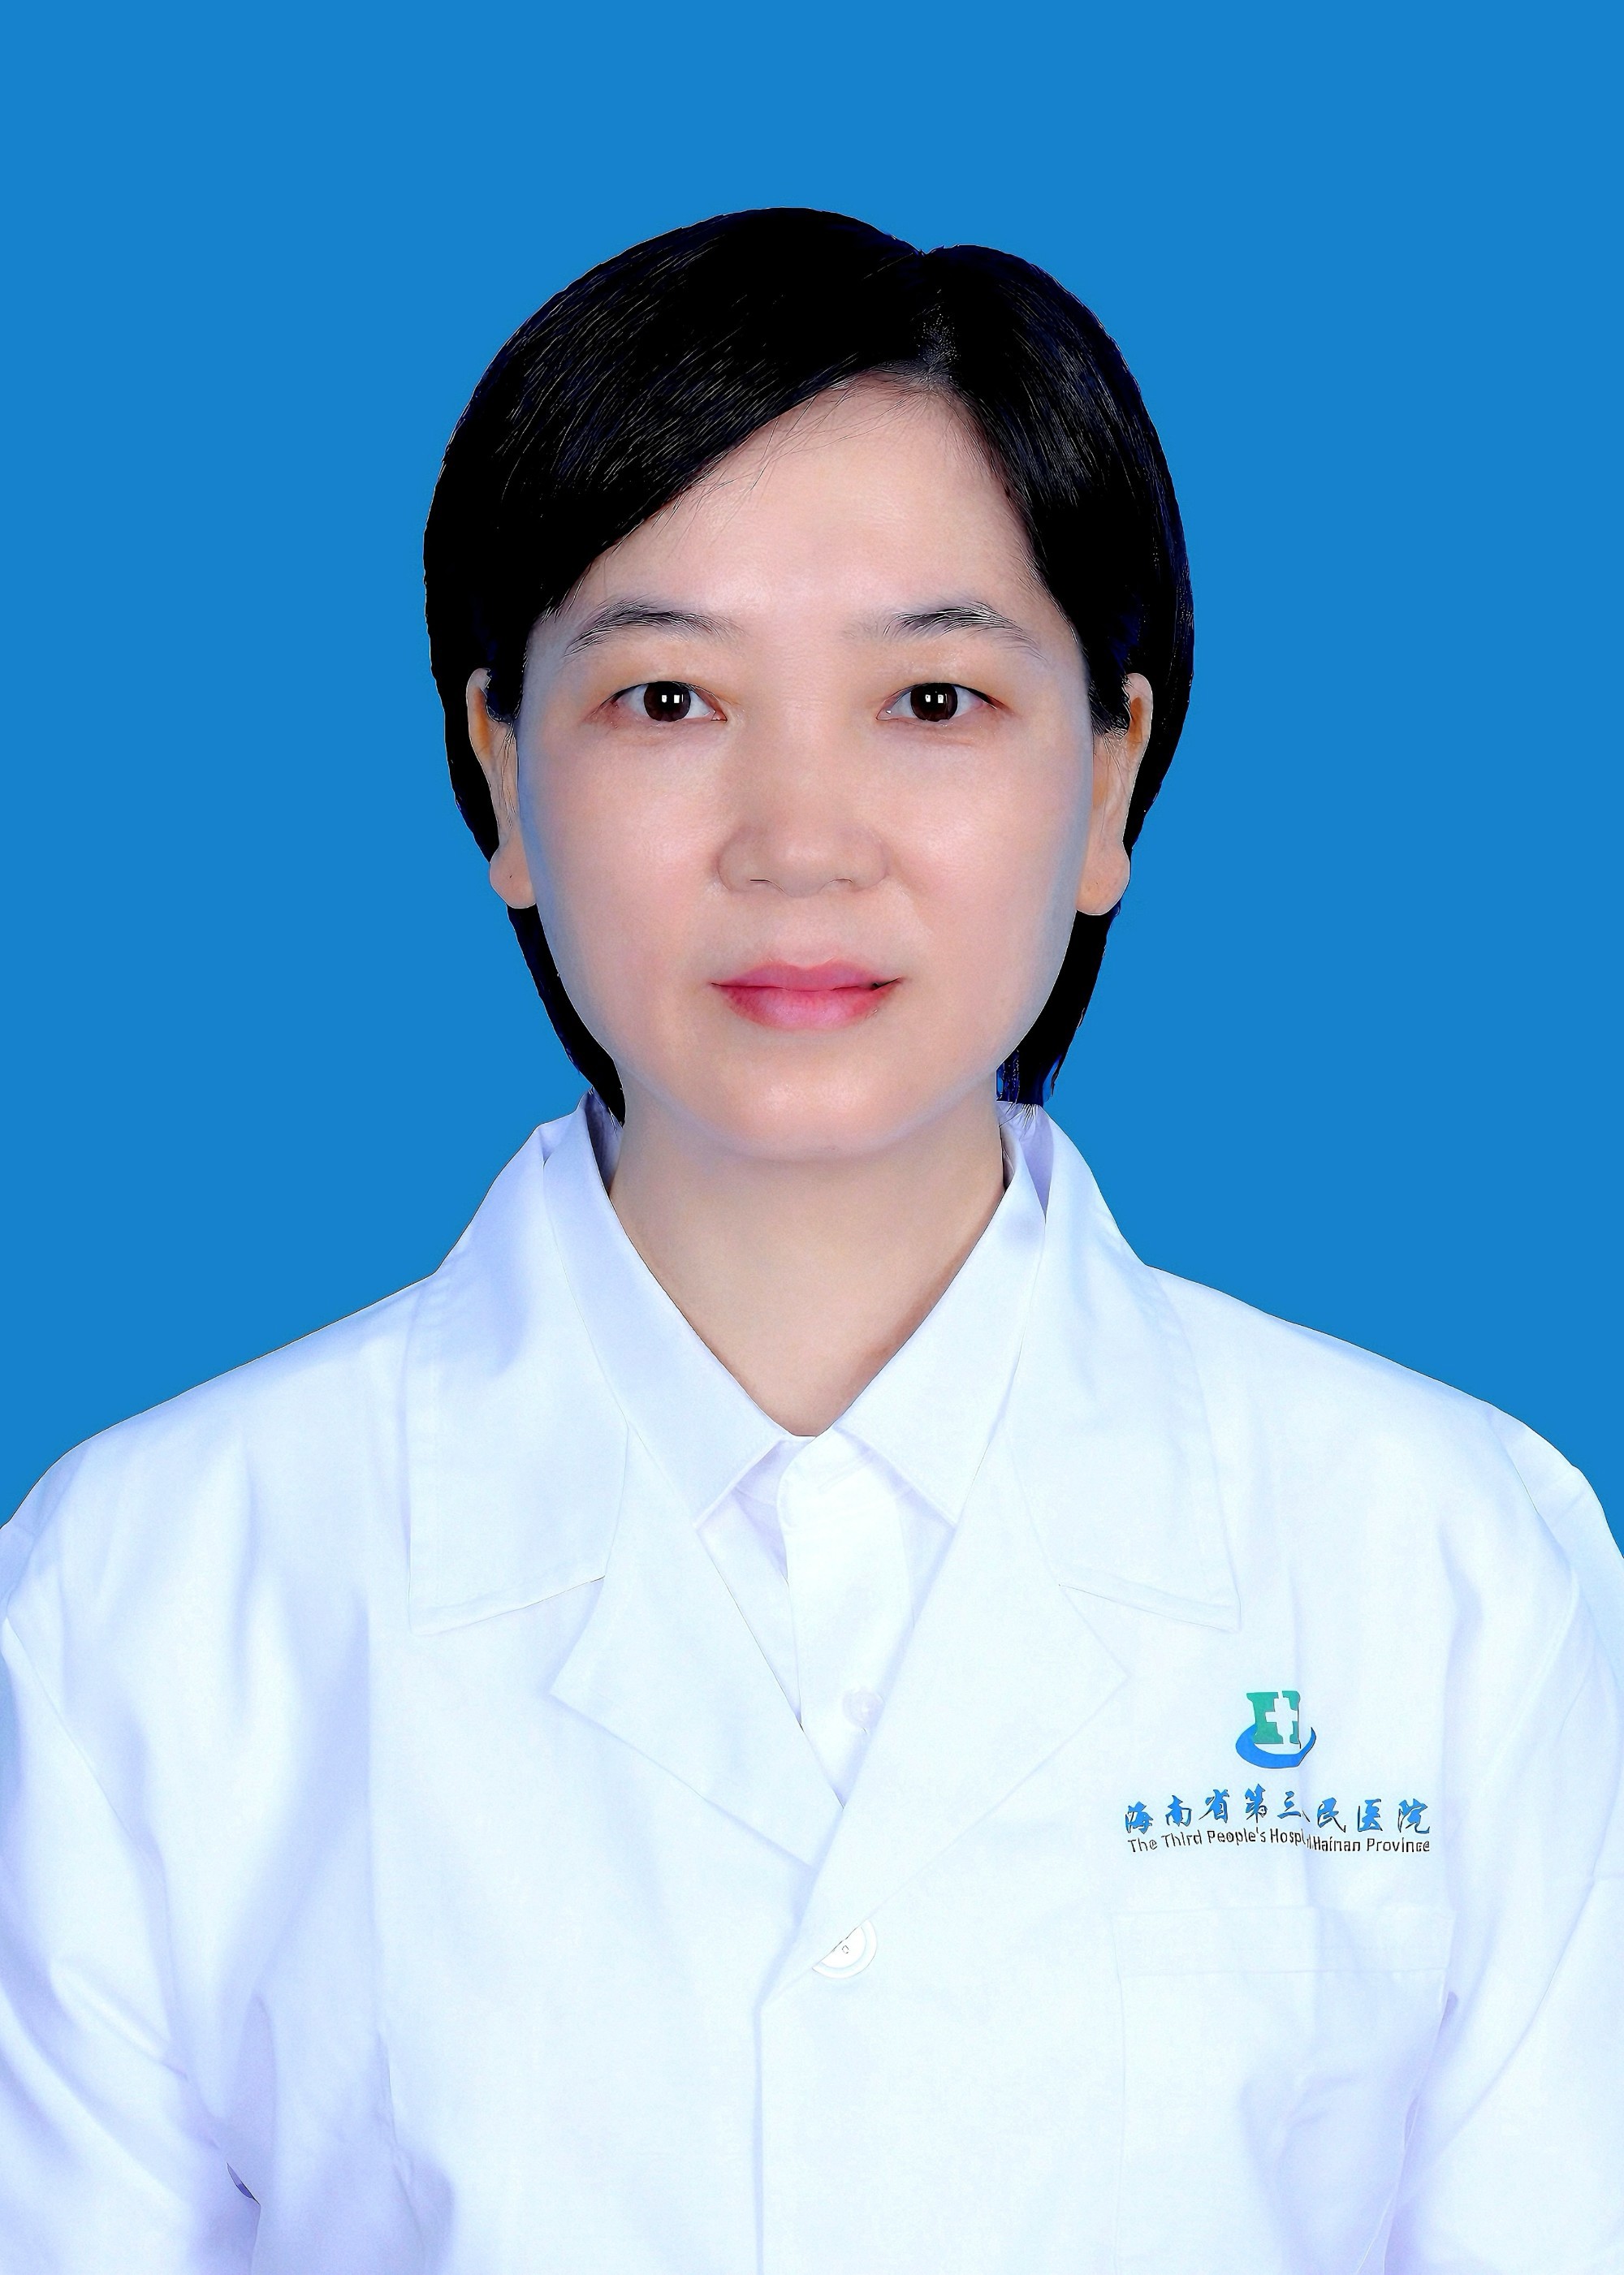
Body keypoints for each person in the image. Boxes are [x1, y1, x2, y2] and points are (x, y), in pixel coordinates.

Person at [1, 208, 1619, 2275]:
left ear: (1109, 778)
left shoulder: (1456, 1568)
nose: (797, 843)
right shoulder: (147, 1598)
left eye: (931, 700)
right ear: (498, 775)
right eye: (667, 698)